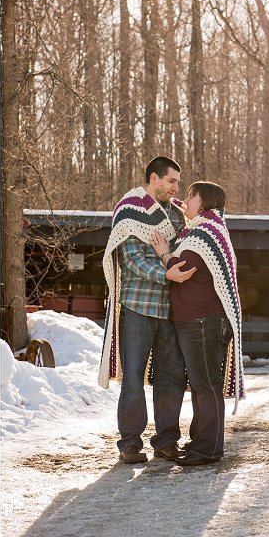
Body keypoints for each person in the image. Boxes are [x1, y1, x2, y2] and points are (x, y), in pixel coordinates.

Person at [97, 156, 192, 464]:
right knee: (133, 377)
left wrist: (169, 259)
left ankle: (166, 441)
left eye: (178, 182)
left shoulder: (178, 215)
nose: (176, 187)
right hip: (137, 307)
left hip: (169, 310)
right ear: (155, 178)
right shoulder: (130, 210)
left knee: (171, 377)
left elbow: (182, 252)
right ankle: (129, 444)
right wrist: (165, 272)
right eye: (172, 181)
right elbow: (131, 259)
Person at [152, 180, 245, 466]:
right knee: (205, 384)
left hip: (202, 321)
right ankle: (204, 445)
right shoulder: (204, 227)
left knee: (205, 385)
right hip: (197, 319)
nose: (186, 199)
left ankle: (207, 450)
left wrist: (164, 253)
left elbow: (185, 267)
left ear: (204, 203)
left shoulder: (205, 232)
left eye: (191, 196)